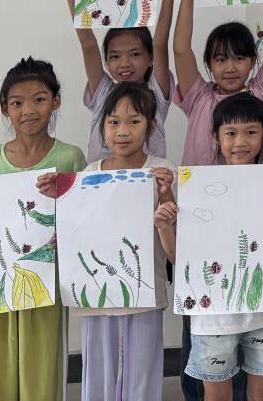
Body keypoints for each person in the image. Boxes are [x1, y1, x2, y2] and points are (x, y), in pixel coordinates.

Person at [0, 57, 86, 400]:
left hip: (46, 286)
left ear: (56, 101)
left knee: (43, 372)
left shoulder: (70, 158)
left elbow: (83, 220)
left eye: (39, 99)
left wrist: (66, 236)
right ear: (4, 109)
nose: (28, 110)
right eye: (17, 103)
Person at [162, 93, 263, 401]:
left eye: (251, 132)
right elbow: (179, 257)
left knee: (261, 395)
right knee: (216, 395)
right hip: (212, 316)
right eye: (231, 133)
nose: (241, 142)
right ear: (215, 136)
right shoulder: (197, 188)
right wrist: (163, 227)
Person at [48, 82, 174, 401]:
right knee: (99, 370)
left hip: (145, 293)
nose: (123, 131)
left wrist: (166, 194)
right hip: (96, 294)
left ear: (150, 126)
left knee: (142, 372)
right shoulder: (89, 174)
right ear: (103, 126)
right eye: (114, 122)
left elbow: (177, 230)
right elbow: (79, 229)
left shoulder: (163, 171)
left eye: (134, 121)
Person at [49, 0, 175, 162]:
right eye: (115, 56)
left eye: (135, 54)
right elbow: (88, 44)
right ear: (106, 62)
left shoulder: (155, 92)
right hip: (100, 179)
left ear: (150, 58)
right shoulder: (103, 92)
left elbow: (160, 42)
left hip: (148, 178)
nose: (125, 63)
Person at [172, 0, 263, 167]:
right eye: (221, 59)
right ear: (209, 64)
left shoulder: (260, 93)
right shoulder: (198, 97)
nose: (230, 68)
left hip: (255, 188)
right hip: (200, 189)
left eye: (239, 58)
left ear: (252, 61)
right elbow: (180, 50)